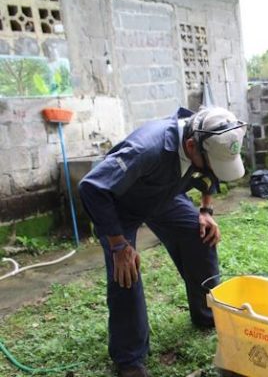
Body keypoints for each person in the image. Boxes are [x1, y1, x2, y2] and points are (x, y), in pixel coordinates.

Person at [79, 107, 247, 377]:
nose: (214, 171)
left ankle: (207, 314)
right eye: (211, 162)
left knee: (200, 233)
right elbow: (92, 187)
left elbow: (208, 175)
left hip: (164, 196)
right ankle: (129, 359)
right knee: (126, 273)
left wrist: (205, 211)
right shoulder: (147, 149)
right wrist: (119, 245)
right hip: (122, 206)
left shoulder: (205, 134)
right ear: (191, 146)